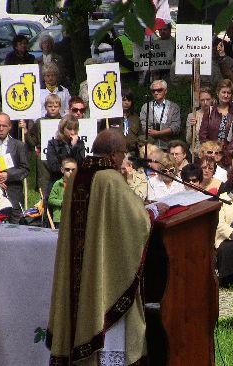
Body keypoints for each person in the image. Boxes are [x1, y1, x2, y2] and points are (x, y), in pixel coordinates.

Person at [47, 129, 168, 365]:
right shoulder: (110, 179)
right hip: (104, 280)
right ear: (113, 155)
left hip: (80, 274)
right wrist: (153, 210)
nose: (124, 159)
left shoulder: (79, 175)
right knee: (109, 334)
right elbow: (135, 221)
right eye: (123, 153)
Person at [0, 112, 29, 224]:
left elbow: (25, 170)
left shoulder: (19, 145)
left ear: (10, 127)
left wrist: (9, 175)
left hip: (14, 193)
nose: (1, 129)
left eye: (4, 126)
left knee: (16, 227)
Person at [198, 79, 233, 159]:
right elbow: (203, 135)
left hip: (231, 156)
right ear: (218, 93)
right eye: (223, 92)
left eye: (229, 93)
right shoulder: (210, 111)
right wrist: (212, 151)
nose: (226, 95)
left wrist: (225, 153)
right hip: (211, 155)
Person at [46, 115, 86, 196]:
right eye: (69, 129)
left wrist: (74, 147)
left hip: (75, 184)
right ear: (62, 129)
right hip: (57, 183)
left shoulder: (80, 144)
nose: (72, 132)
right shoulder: (53, 144)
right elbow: (53, 167)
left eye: (75, 129)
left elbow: (80, 164)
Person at [140, 80, 182, 151]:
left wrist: (158, 133)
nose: (156, 93)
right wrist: (150, 131)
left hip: (169, 147)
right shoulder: (146, 106)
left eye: (159, 90)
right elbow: (143, 125)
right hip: (151, 147)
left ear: (165, 91)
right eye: (153, 91)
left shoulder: (174, 107)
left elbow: (176, 127)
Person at [108, 89, 142, 156]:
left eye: (129, 100)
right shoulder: (111, 117)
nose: (127, 103)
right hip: (115, 153)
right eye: (124, 100)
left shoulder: (135, 117)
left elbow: (140, 134)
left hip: (132, 153)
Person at [48, 158, 77, 228]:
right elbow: (51, 199)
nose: (70, 172)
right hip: (60, 218)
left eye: (73, 170)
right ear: (62, 170)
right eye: (67, 169)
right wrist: (62, 202)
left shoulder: (79, 184)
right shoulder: (57, 184)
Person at [186, 88, 215, 153]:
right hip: (197, 153)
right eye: (202, 100)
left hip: (213, 153)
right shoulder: (192, 115)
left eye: (208, 99)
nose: (205, 102)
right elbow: (188, 141)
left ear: (212, 99)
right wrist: (191, 128)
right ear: (198, 101)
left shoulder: (218, 114)